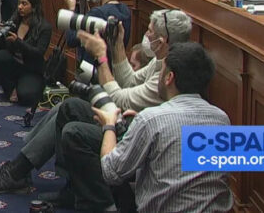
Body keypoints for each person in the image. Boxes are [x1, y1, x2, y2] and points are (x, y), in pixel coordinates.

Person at [0, 9, 192, 204]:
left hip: (133, 132)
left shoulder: (163, 85)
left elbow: (120, 100)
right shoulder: (219, 120)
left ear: (163, 43)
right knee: (69, 106)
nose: (146, 35)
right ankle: (23, 171)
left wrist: (101, 57)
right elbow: (130, 82)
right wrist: (117, 44)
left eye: (149, 32)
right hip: (136, 125)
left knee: (74, 129)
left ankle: (32, 176)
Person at [93, 43, 233, 212]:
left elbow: (110, 172)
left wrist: (109, 126)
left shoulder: (151, 120)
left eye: (161, 71)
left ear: (169, 77)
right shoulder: (223, 119)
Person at [62, 0, 131, 67]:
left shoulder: (98, 13)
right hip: (115, 68)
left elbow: (71, 39)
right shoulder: (125, 10)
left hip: (94, 71)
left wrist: (71, 10)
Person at [0, 0, 51, 106]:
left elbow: (38, 53)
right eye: (19, 3)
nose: (20, 7)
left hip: (31, 68)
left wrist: (18, 42)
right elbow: (2, 49)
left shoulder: (44, 27)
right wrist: (3, 36)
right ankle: (12, 86)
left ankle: (21, 85)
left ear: (33, 7)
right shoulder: (15, 21)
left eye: (24, 4)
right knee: (0, 57)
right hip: (14, 64)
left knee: (27, 97)